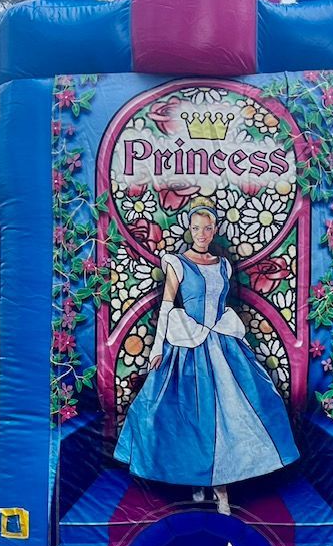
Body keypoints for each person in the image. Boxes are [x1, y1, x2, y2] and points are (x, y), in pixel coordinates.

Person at [113, 197, 299, 512]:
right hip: (190, 346)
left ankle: (221, 491)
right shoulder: (176, 262)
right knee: (192, 417)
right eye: (196, 227)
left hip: (223, 345)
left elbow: (222, 303)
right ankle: (200, 484)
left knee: (237, 413)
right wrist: (158, 347)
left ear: (214, 230)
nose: (201, 233)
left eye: (207, 228)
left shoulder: (224, 265)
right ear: (189, 228)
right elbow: (169, 305)